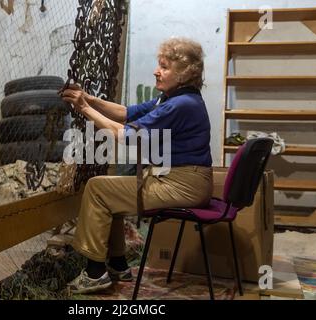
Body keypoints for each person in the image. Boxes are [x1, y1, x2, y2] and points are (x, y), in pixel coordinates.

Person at [60, 37, 213, 294]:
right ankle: (118, 264)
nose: (156, 70)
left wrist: (84, 108)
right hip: (181, 180)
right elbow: (126, 112)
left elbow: (124, 135)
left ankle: (95, 272)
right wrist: (89, 99)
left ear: (185, 73)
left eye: (164, 67)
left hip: (183, 185)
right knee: (110, 189)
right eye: (158, 65)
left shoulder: (180, 105)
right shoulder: (171, 98)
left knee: (98, 189)